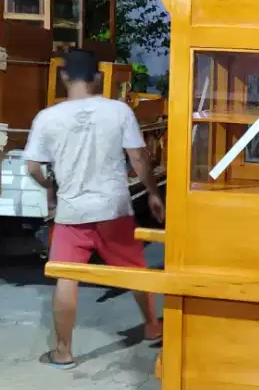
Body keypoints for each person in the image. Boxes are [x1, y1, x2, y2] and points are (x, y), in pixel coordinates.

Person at [24, 48, 165, 368]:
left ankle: (63, 351)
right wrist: (153, 193)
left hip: (72, 212)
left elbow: (33, 166)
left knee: (66, 277)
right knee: (136, 270)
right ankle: (151, 326)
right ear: (98, 77)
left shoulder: (47, 117)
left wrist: (49, 188)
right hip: (114, 208)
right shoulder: (118, 111)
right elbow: (139, 159)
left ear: (64, 76)